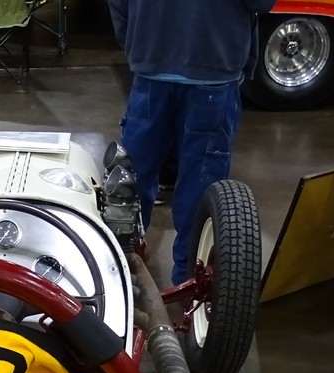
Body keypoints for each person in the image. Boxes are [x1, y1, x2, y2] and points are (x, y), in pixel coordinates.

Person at [109, 0, 274, 283]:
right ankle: (188, 284)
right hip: (212, 67)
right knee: (200, 186)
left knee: (131, 179)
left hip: (152, 63)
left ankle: (120, 271)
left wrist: (140, 44)